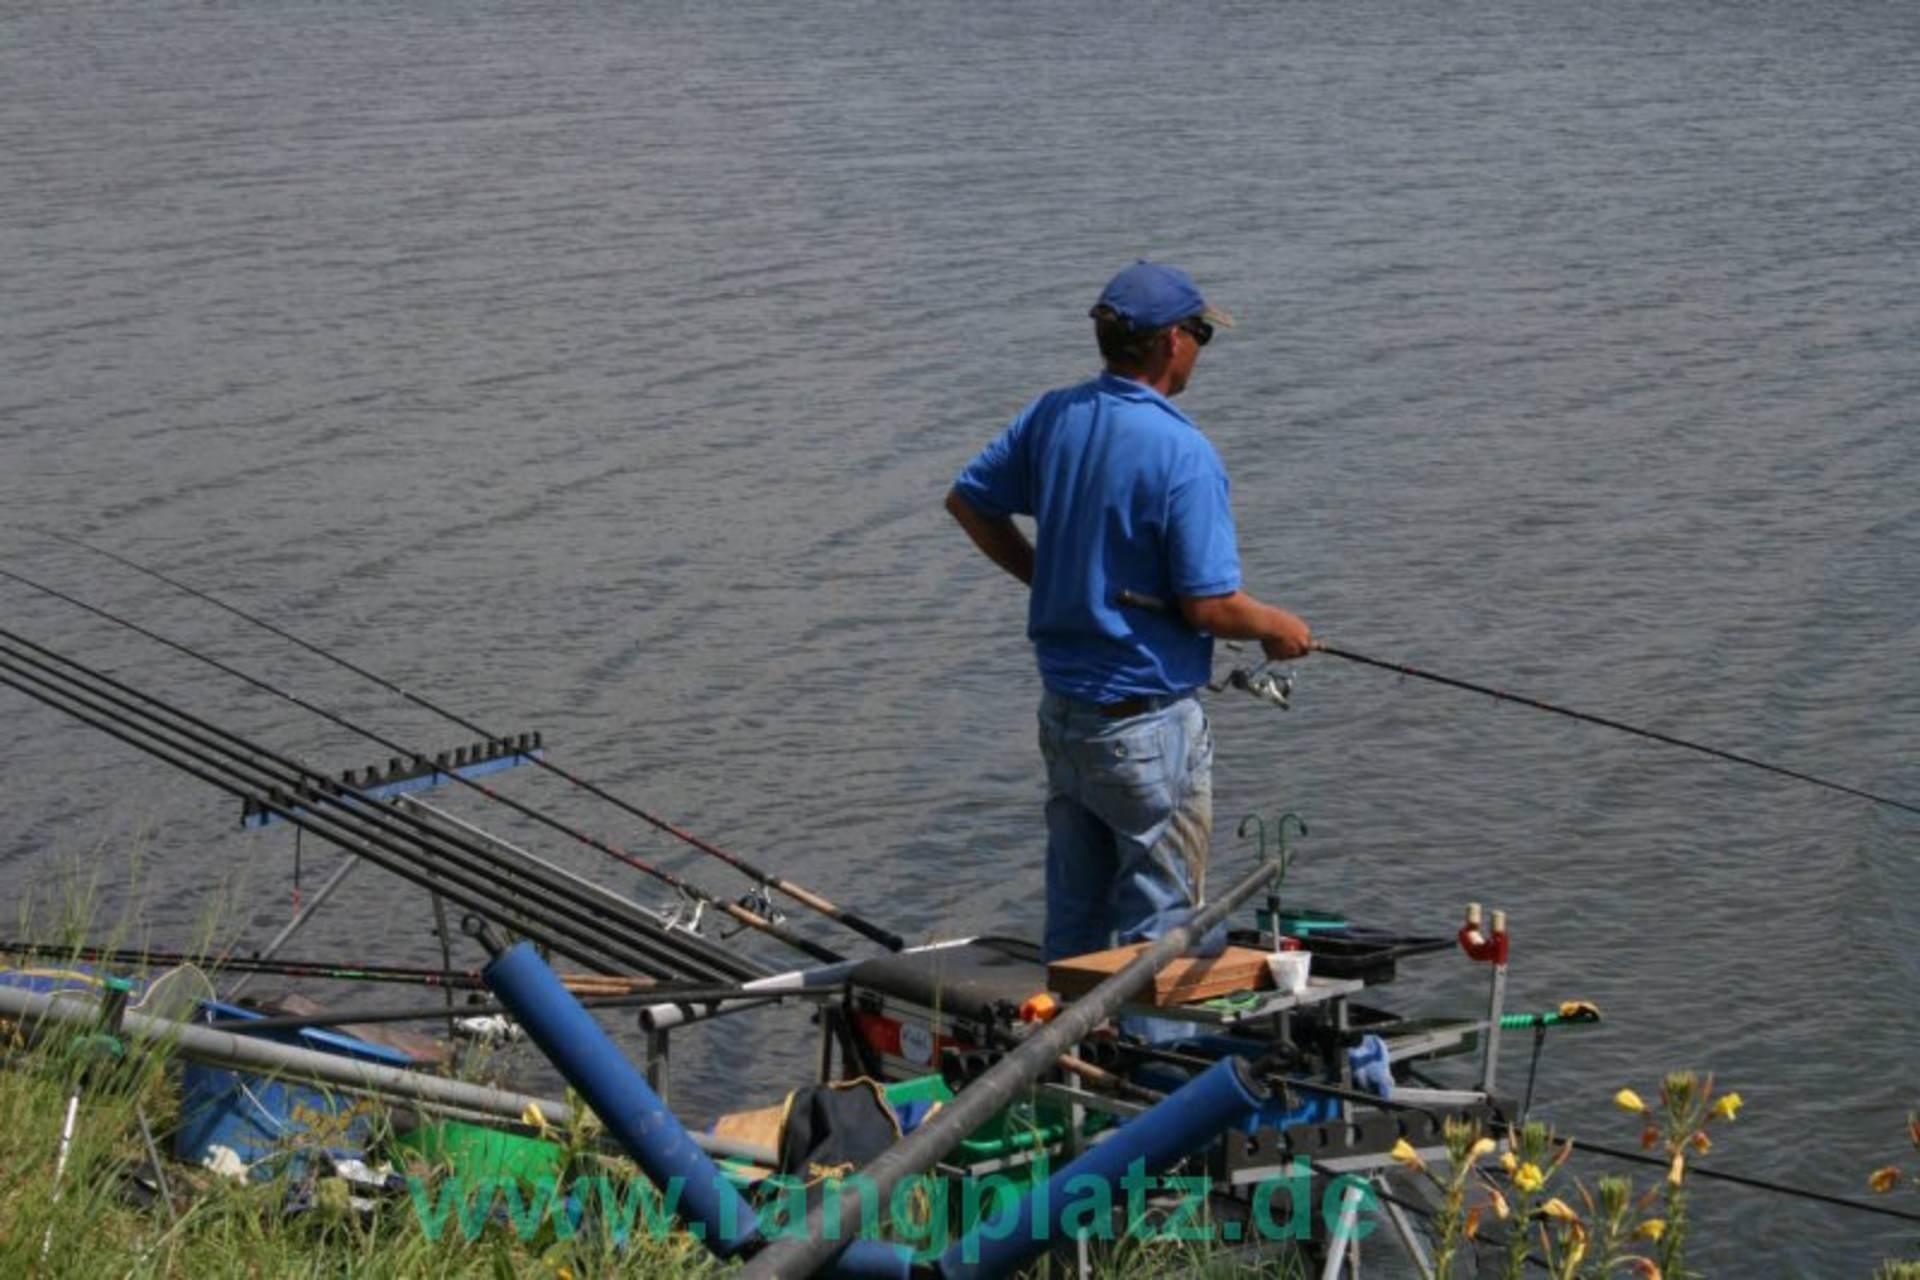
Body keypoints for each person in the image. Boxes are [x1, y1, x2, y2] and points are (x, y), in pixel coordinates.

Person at [945, 259, 1313, 975]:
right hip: (1147, 731)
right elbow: (1209, 605)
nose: (1203, 346)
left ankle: (1069, 1069)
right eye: (1202, 331)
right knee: (1164, 937)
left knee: (1076, 923)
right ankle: (1156, 1078)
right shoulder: (1184, 452)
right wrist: (1275, 626)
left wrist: (1043, 574)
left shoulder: (1054, 416)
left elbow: (969, 501)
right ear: (1173, 341)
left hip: (1065, 717)